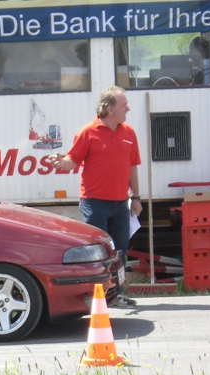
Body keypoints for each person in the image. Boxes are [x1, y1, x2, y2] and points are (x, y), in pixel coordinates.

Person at [48, 86, 142, 307]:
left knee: (120, 250)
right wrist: (60, 162)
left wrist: (136, 197)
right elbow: (72, 160)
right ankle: (97, 295)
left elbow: (133, 167)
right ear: (110, 109)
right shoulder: (87, 132)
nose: (128, 109)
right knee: (97, 252)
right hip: (94, 203)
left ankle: (116, 294)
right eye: (124, 105)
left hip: (121, 203)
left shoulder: (129, 133)